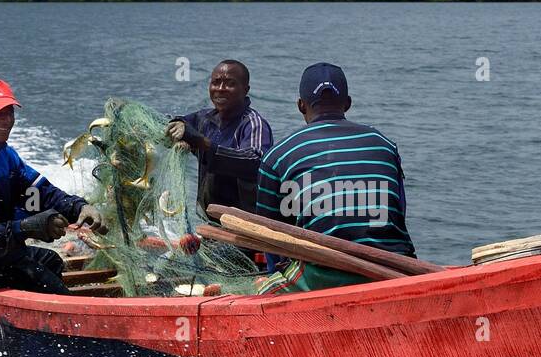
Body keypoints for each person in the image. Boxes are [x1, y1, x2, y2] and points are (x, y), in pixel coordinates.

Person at [254, 63, 415, 293]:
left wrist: (275, 277)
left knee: (261, 286)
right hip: (398, 266)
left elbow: (269, 238)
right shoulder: (384, 143)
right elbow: (399, 212)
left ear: (301, 105)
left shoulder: (279, 155)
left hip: (324, 273)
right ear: (348, 103)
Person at [0, 79, 107, 295]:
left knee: (52, 260)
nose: (6, 120)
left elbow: (40, 193)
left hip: (2, 256)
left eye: (9, 112)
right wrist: (26, 227)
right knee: (51, 287)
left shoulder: (5, 155)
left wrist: (79, 208)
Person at [166, 59, 273, 212]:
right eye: (216, 82)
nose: (221, 89)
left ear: (245, 89)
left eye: (230, 84)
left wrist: (202, 143)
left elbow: (255, 162)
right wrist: (179, 125)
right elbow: (174, 122)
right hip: (209, 219)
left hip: (242, 222)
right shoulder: (204, 119)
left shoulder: (253, 123)